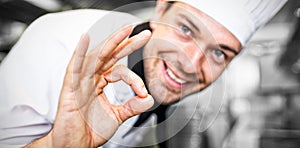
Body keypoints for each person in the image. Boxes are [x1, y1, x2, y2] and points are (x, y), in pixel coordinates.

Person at [0, 0, 287, 147]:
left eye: (218, 53)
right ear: (162, 7)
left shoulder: (159, 84)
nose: (190, 65)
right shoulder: (61, 41)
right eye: (185, 30)